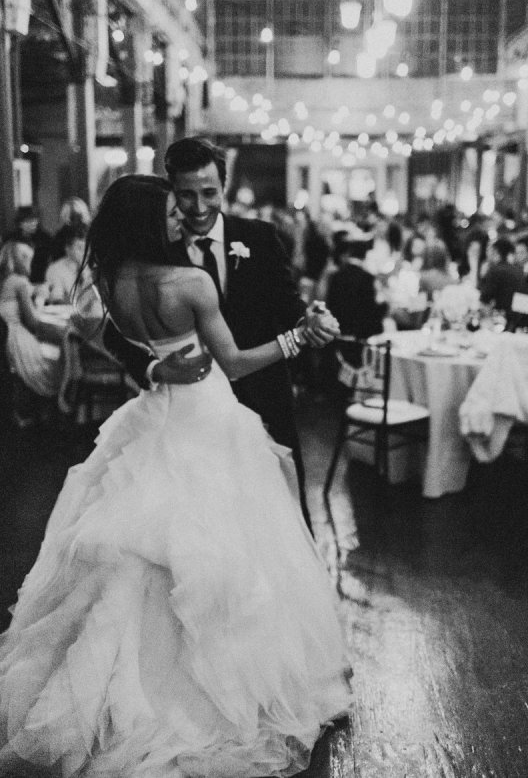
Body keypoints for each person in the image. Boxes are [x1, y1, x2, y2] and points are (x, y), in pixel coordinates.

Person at [0, 175, 351, 778]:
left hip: (154, 411)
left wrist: (153, 362)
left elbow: (94, 331)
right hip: (207, 415)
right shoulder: (189, 282)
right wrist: (297, 337)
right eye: (169, 210)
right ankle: (205, 695)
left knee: (138, 548)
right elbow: (235, 363)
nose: (179, 219)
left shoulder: (109, 278)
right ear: (146, 218)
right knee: (228, 546)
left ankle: (122, 687)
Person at [103, 139, 336, 535]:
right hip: (190, 416)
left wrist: (310, 318)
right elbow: (112, 332)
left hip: (263, 396)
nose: (197, 207)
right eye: (186, 195)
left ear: (223, 187)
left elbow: (286, 300)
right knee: (209, 527)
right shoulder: (157, 250)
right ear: (170, 190)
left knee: (286, 520)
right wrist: (154, 366)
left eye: (209, 193)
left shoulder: (260, 236)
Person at [0, 240, 63, 408]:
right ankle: (60, 403)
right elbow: (32, 322)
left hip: (6, 337)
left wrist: (34, 289)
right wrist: (41, 297)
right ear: (22, 260)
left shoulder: (7, 280)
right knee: (58, 354)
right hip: (17, 338)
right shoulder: (19, 282)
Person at [479, 236, 528, 319]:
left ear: (496, 252)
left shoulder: (495, 270)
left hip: (504, 318)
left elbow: (485, 299)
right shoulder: (518, 269)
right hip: (523, 316)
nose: (487, 254)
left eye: (490, 250)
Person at [44, 226, 87, 303]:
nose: (84, 252)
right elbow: (57, 299)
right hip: (67, 311)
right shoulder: (55, 269)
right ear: (68, 249)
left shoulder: (90, 267)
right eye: (80, 248)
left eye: (86, 248)